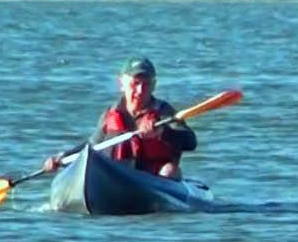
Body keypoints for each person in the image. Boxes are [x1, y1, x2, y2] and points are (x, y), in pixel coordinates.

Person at [44, 58, 198, 180]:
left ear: (154, 85)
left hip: (153, 177)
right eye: (135, 84)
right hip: (118, 176)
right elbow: (92, 146)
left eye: (146, 84)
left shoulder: (164, 112)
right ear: (121, 84)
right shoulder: (111, 113)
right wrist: (62, 158)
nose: (140, 91)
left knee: (170, 171)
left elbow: (190, 142)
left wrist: (162, 133)